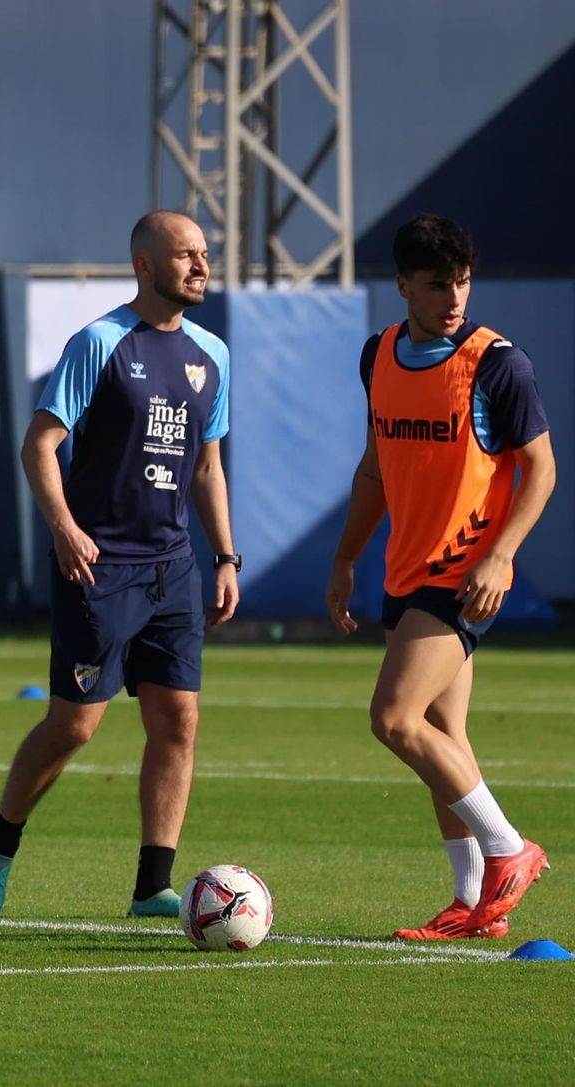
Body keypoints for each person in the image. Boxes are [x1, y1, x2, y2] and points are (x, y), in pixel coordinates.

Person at [0, 210, 240, 919]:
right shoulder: (100, 343)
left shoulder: (212, 354)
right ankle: (1, 841)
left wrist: (226, 556)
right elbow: (39, 443)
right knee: (74, 726)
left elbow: (208, 467)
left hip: (174, 567)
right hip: (100, 567)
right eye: (186, 255)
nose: (201, 266)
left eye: (205, 255)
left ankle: (154, 884)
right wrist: (62, 526)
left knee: (177, 721)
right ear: (145, 265)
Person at [326, 213, 555, 940]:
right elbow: (374, 468)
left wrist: (502, 553)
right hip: (405, 569)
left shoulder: (497, 364)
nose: (454, 297)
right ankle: (473, 901)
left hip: (464, 573)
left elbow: (542, 470)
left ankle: (508, 848)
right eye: (436, 284)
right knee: (439, 732)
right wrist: (345, 555)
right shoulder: (379, 355)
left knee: (392, 718)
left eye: (462, 282)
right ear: (402, 286)